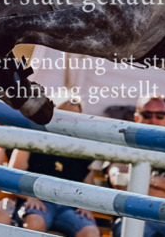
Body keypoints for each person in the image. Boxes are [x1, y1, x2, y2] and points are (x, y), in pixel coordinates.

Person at [96, 96, 165, 237]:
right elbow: (121, 184)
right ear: (137, 117)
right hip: (132, 217)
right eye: (147, 114)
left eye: (160, 115)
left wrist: (144, 181)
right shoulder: (123, 145)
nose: (153, 120)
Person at [9, 98, 99, 237]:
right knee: (35, 222)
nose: (69, 122)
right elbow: (12, 177)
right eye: (64, 116)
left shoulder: (81, 149)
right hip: (37, 202)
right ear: (52, 114)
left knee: (91, 232)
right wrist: (29, 197)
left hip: (69, 207)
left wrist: (86, 206)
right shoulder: (32, 138)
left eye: (75, 118)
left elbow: (89, 185)